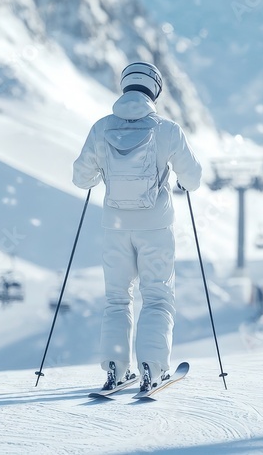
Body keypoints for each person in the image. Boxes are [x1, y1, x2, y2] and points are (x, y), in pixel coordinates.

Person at [73, 61, 202, 393]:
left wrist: (104, 172)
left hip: (114, 226)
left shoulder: (102, 128)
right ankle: (152, 368)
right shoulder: (167, 129)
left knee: (117, 299)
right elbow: (193, 178)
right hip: (156, 227)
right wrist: (180, 183)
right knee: (157, 297)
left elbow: (80, 178)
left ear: (125, 87)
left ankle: (116, 370)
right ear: (155, 90)